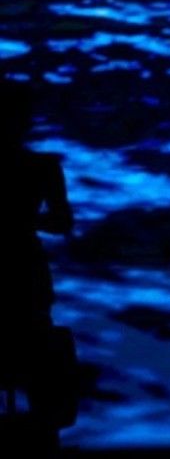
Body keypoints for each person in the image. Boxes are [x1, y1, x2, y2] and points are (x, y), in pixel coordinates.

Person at [1, 78, 76, 451]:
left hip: (23, 267)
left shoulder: (44, 166)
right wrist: (25, 220)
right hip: (26, 264)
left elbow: (62, 222)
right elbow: (62, 222)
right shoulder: (43, 166)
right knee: (37, 354)